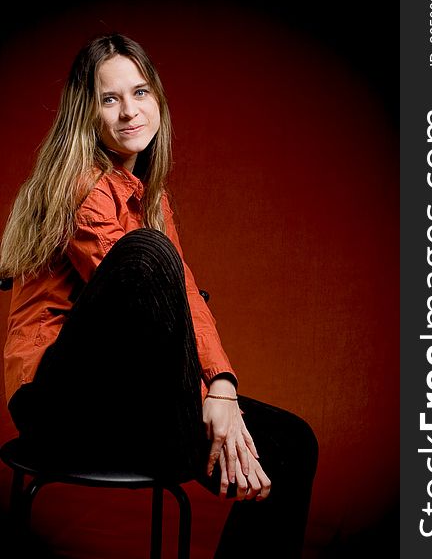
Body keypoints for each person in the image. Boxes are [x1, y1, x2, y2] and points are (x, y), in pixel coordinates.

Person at [0, 33, 318, 557]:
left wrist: (223, 390)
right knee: (150, 253)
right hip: (57, 406)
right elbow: (146, 308)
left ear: (157, 101)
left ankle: (195, 439)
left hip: (127, 402)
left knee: (292, 444)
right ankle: (190, 441)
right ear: (87, 113)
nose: (129, 112)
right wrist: (205, 407)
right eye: (109, 99)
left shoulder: (152, 196)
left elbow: (185, 296)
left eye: (140, 93)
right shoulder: (80, 186)